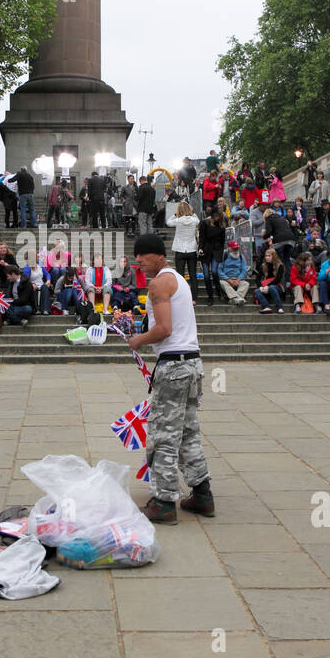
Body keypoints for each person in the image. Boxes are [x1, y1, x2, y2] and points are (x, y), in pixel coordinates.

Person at [113, 233, 211, 525]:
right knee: (189, 433)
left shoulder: (158, 284)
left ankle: (164, 502)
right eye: (136, 255)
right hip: (192, 363)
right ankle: (202, 494)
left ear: (158, 255)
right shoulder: (178, 279)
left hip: (174, 368)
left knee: (161, 436)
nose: (138, 261)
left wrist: (138, 340)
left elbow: (165, 328)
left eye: (142, 255)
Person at [197, 209, 226, 307]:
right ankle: (210, 296)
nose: (217, 218)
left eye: (219, 216)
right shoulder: (205, 223)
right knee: (206, 275)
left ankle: (218, 290)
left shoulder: (221, 225)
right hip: (206, 250)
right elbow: (202, 237)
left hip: (217, 250)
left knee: (214, 271)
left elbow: (222, 240)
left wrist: (221, 251)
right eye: (216, 216)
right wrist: (200, 248)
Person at [170, 202, 200, 286]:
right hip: (191, 249)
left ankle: (182, 295)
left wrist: (176, 214)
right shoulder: (194, 220)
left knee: (180, 275)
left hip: (179, 249)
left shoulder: (178, 220)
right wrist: (192, 212)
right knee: (193, 274)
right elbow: (198, 220)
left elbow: (168, 222)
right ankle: (194, 296)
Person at [254, 245, 287, 314]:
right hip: (266, 287)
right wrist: (261, 287)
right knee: (257, 291)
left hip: (278, 287)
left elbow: (277, 280)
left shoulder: (279, 265)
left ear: (273, 257)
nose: (267, 258)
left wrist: (267, 286)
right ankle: (266, 307)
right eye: (266, 256)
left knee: (272, 287)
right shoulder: (263, 265)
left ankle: (280, 307)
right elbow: (258, 278)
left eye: (269, 256)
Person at [217, 241, 249, 305]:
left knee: (246, 284)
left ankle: (234, 299)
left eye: (237, 248)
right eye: (234, 249)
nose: (236, 250)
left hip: (238, 279)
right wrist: (228, 279)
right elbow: (219, 270)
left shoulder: (241, 256)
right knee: (222, 283)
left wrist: (238, 279)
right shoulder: (224, 256)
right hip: (226, 279)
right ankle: (238, 298)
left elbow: (244, 270)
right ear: (229, 248)